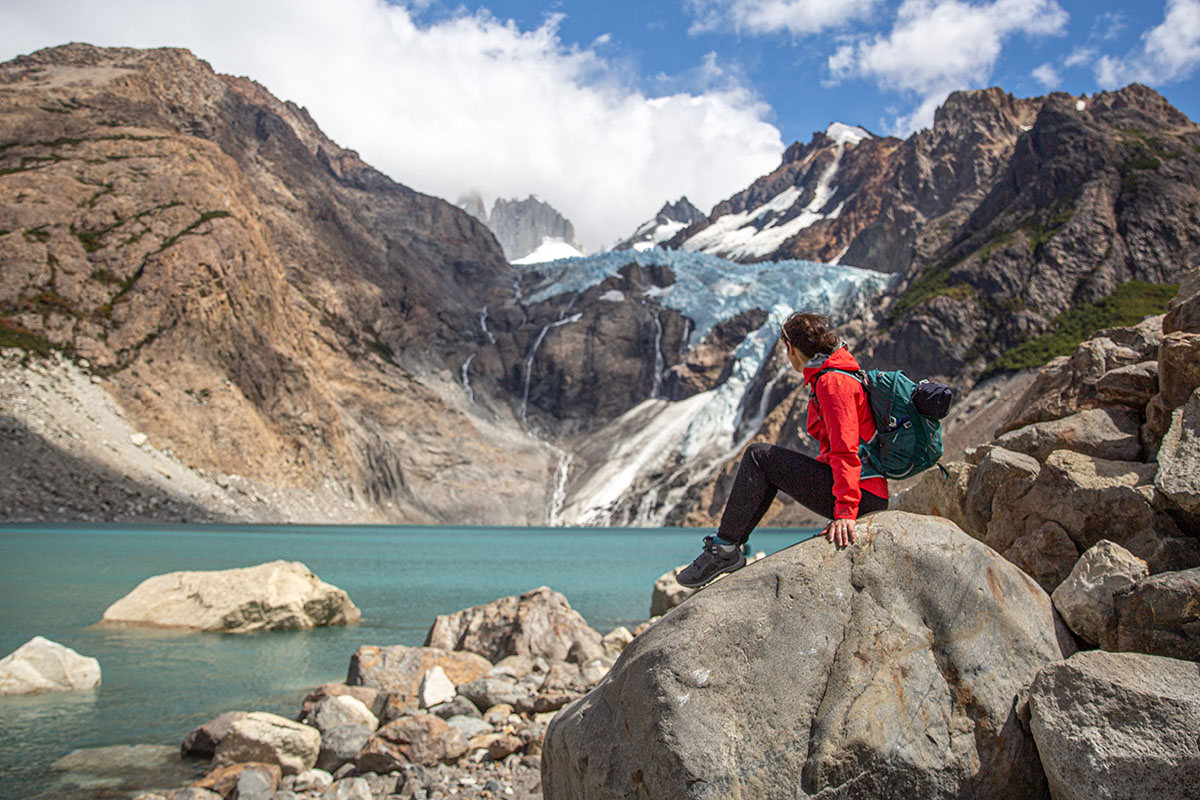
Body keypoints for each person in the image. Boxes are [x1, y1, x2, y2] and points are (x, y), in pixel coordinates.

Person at [676, 312, 888, 588]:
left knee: (759, 456)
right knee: (768, 463)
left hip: (862, 497)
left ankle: (725, 548)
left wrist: (845, 513)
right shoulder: (834, 375)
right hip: (864, 491)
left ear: (791, 348)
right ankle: (728, 547)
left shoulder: (832, 383)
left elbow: (846, 450)